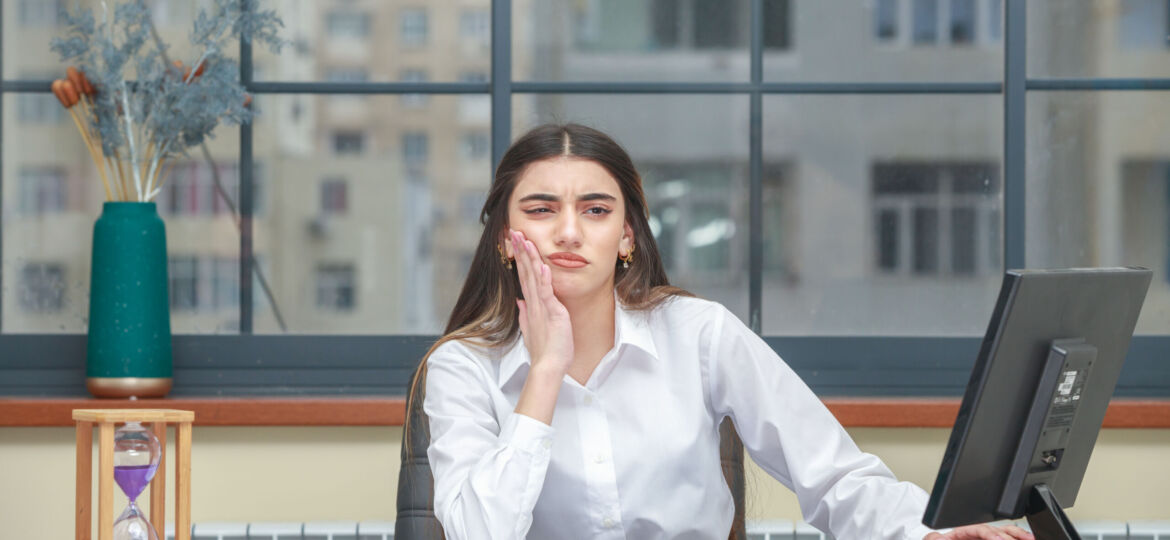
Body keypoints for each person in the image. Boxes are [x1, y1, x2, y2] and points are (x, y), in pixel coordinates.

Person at [414, 123, 1032, 540]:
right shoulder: (461, 366)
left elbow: (834, 475)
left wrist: (932, 534)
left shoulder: (699, 333)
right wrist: (544, 373)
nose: (569, 232)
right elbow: (476, 531)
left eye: (597, 210)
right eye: (542, 209)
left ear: (627, 237)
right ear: (504, 236)